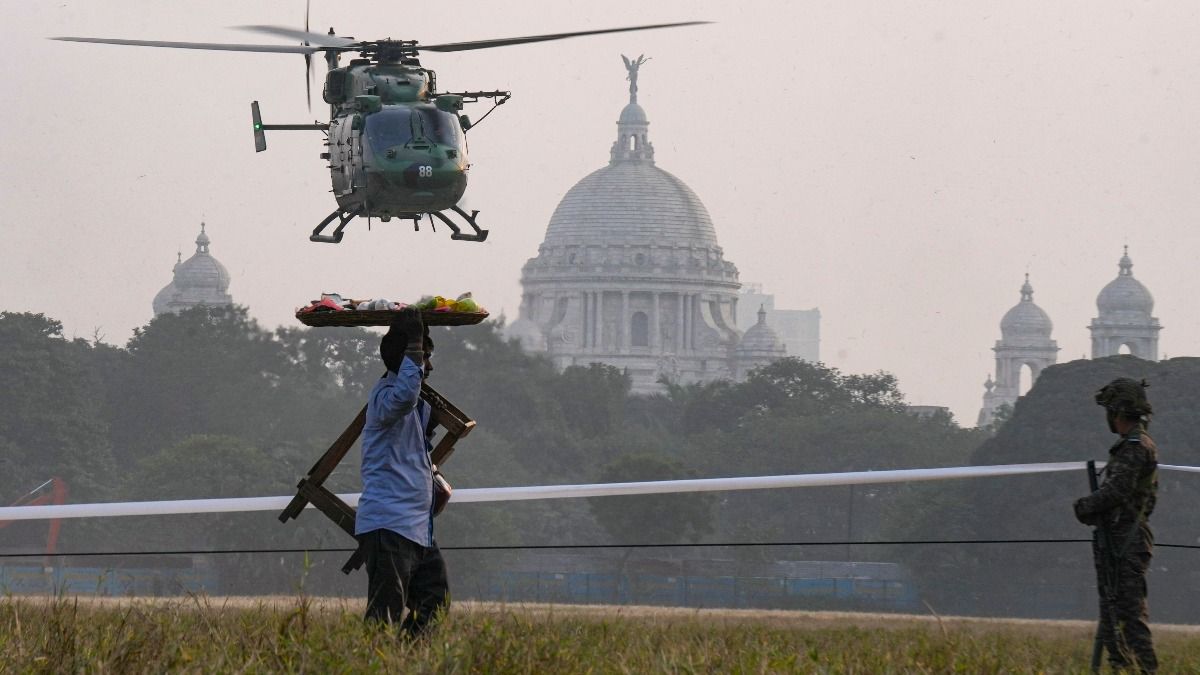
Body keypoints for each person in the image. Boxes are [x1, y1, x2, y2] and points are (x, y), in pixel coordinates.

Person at [356, 308, 449, 636]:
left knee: (434, 601)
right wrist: (413, 343)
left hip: (416, 528)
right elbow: (404, 396)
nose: (429, 367)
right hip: (390, 523)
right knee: (384, 615)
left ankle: (408, 662)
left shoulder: (416, 408)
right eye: (424, 358)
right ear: (407, 360)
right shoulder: (386, 398)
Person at [1074, 378, 1158, 673]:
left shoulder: (1135, 446)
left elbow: (1117, 491)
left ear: (1118, 412)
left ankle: (1142, 668)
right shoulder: (1131, 444)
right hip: (1119, 540)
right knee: (1114, 619)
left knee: (1129, 618)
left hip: (1127, 542)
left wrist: (1085, 506)